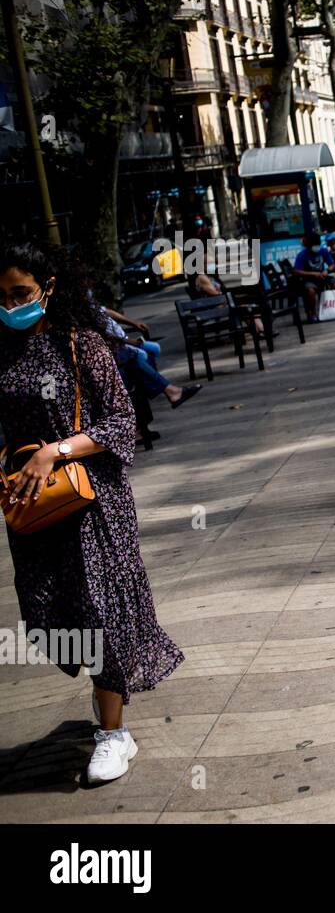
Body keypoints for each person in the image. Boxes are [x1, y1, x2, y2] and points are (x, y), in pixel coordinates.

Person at [0, 242, 184, 783]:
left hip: (91, 502)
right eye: (2, 297)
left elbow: (122, 425)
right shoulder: (2, 353)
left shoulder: (80, 345)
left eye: (21, 294)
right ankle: (105, 701)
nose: (11, 306)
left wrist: (53, 450)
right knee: (50, 612)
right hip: (31, 506)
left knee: (101, 612)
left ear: (47, 289)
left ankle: (112, 732)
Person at [95, 300, 201, 411]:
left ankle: (164, 390)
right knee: (138, 358)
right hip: (113, 350)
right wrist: (129, 342)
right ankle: (165, 390)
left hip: (120, 346)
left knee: (147, 354)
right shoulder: (83, 312)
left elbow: (107, 312)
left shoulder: (90, 304)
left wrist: (133, 324)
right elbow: (105, 337)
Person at [291, 232, 335, 323]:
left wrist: (327, 271)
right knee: (311, 291)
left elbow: (332, 265)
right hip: (309, 279)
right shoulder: (302, 255)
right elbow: (297, 271)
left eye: (317, 244)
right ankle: (312, 313)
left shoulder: (323, 251)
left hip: (323, 276)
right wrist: (313, 274)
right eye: (314, 245)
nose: (316, 247)